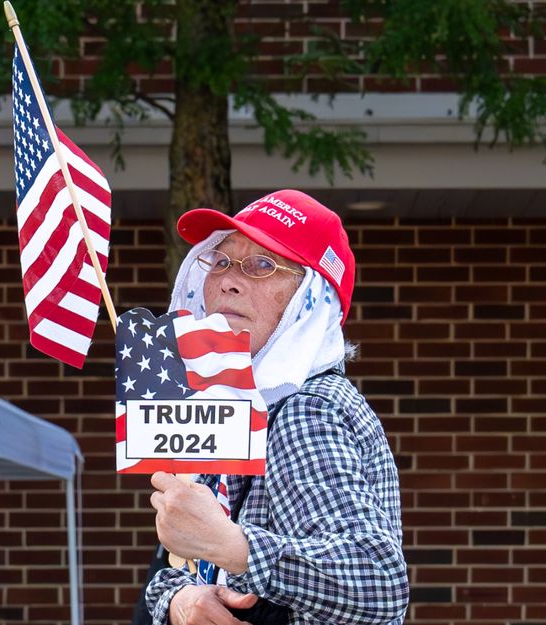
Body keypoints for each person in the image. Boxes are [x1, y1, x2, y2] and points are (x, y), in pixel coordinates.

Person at [144, 189, 409, 625]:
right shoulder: (241, 407)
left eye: (262, 265)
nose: (228, 279)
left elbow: (378, 581)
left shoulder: (305, 410)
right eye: (222, 260)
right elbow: (178, 570)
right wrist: (181, 601)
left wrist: (235, 548)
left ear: (310, 300)